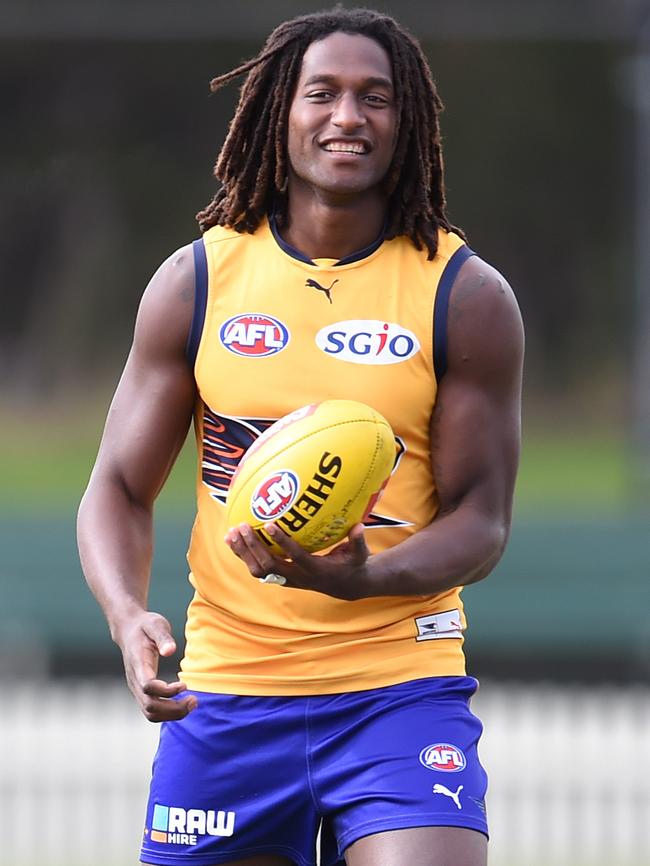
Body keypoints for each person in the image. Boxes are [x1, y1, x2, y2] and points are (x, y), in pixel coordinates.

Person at [77, 8, 524, 866]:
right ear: (281, 111)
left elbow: (482, 521)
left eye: (375, 98)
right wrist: (127, 616)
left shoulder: (464, 296)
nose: (347, 117)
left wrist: (367, 579)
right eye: (322, 93)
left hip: (398, 691)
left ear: (410, 121)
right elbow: (118, 488)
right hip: (230, 699)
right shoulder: (197, 281)